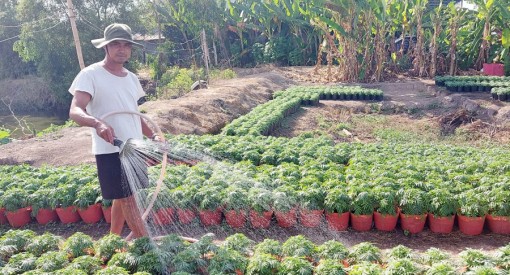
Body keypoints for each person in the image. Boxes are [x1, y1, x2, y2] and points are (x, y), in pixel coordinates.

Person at [68, 23, 162, 239]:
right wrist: (98, 123)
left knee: (125, 197)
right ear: (106, 47)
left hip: (134, 149)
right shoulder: (90, 74)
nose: (122, 49)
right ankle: (146, 245)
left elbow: (134, 114)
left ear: (131, 48)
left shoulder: (131, 78)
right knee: (128, 198)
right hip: (111, 149)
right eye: (116, 44)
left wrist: (153, 135)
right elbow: (75, 110)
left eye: (126, 45)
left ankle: (112, 240)